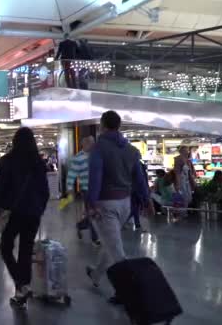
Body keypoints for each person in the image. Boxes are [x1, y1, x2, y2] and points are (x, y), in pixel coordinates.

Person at [85, 110, 148, 304]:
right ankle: (96, 274)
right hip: (125, 204)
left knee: (117, 252)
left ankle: (126, 291)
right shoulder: (130, 149)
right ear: (119, 126)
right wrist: (146, 199)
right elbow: (139, 176)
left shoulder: (99, 148)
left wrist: (91, 203)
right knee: (110, 243)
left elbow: (95, 178)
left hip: (106, 204)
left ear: (103, 125)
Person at [0, 127, 49, 310]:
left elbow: (1, 188)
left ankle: (22, 285)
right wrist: (39, 209)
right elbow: (45, 192)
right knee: (25, 250)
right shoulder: (39, 163)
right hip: (33, 212)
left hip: (15, 212)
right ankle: (22, 289)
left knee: (5, 247)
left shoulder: (8, 161)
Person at [66, 136, 100, 245]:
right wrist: (70, 189)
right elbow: (71, 175)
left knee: (97, 213)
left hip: (99, 189)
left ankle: (80, 225)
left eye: (93, 142)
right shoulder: (78, 158)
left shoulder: (97, 155)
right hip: (87, 190)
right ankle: (95, 238)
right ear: (84, 144)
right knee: (91, 213)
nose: (93, 144)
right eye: (90, 142)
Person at [174, 145, 196, 213]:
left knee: (188, 198)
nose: (187, 152)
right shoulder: (178, 159)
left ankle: (185, 212)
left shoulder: (188, 161)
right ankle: (183, 213)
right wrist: (178, 185)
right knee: (183, 198)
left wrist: (193, 182)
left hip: (187, 182)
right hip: (182, 182)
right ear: (181, 151)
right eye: (185, 150)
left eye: (187, 150)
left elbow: (192, 173)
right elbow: (177, 173)